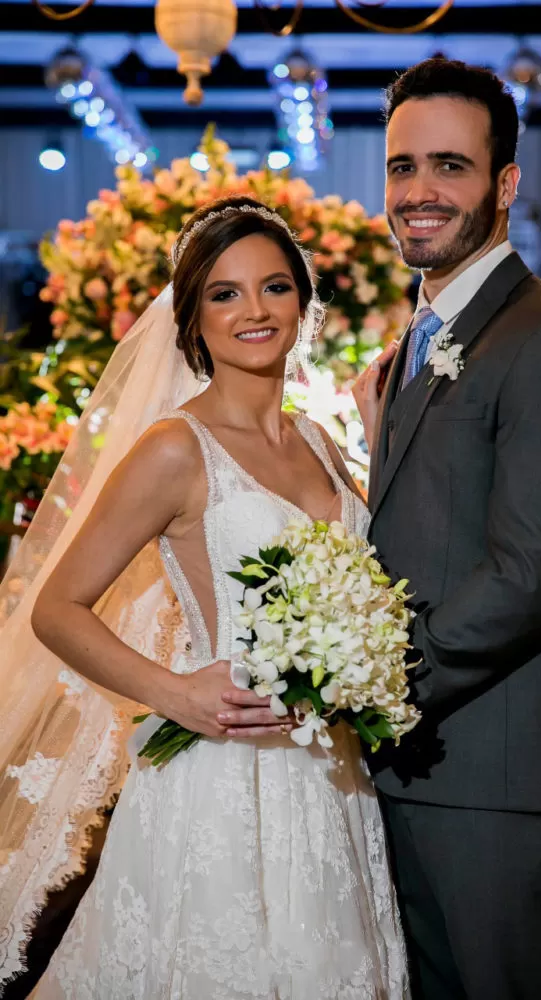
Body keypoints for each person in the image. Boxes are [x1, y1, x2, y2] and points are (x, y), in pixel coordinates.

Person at [0, 197, 409, 999]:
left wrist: (380, 434)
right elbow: (57, 608)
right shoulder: (173, 449)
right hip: (222, 783)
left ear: (304, 301)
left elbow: (368, 579)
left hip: (331, 780)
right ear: (191, 319)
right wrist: (177, 693)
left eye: (274, 287)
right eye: (224, 293)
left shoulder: (321, 443)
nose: (253, 310)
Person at [353, 59, 541, 1000]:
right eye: (399, 168)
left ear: (505, 184)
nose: (418, 193)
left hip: (496, 777)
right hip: (405, 769)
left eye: (449, 167)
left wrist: (374, 681)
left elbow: (533, 568)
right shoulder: (418, 339)